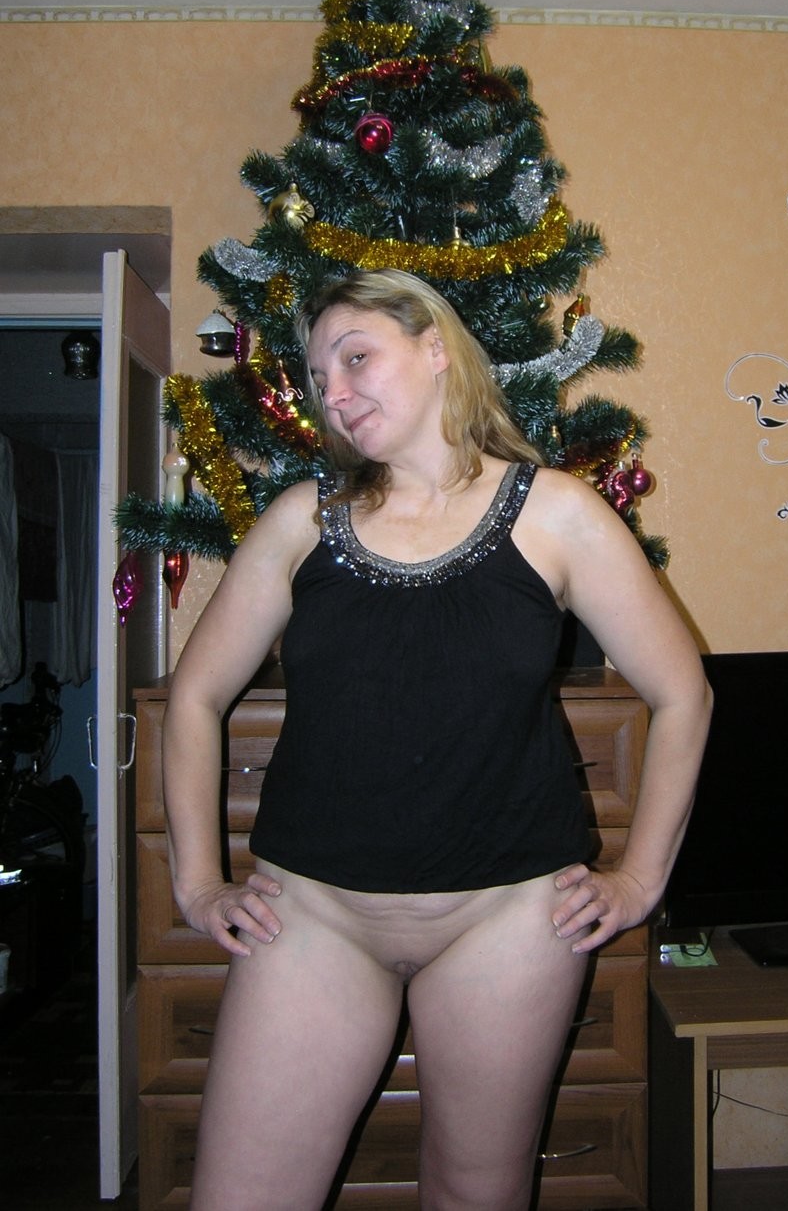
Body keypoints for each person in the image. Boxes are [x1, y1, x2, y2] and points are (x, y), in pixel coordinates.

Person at [162, 267, 712, 1211]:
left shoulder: (558, 513)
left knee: (473, 1194)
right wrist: (198, 881)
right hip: (316, 920)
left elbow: (683, 695)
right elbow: (195, 697)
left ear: (435, 348)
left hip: (506, 925)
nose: (333, 392)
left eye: (356, 357)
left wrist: (640, 880)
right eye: (318, 375)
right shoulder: (301, 522)